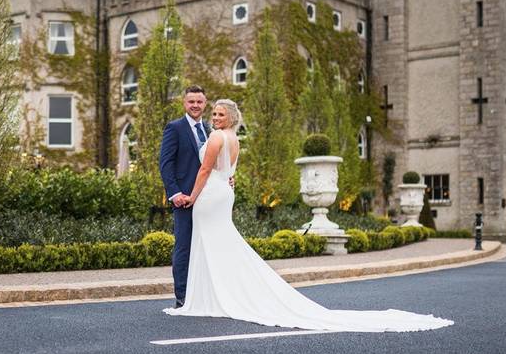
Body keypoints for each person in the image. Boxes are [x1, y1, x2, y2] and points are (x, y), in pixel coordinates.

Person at [163, 99, 454, 333]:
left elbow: (204, 170)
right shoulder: (233, 139)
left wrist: (192, 195)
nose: (214, 117)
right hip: (223, 194)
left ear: (231, 117)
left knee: (211, 245)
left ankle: (213, 297)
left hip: (210, 195)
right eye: (213, 113)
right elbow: (228, 172)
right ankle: (216, 295)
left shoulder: (215, 137)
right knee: (221, 245)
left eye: (220, 113)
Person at [159, 86, 213, 308]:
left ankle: (203, 295)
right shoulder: (175, 128)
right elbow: (165, 164)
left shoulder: (210, 130)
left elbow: (213, 165)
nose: (195, 106)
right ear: (184, 103)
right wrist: (175, 193)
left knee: (207, 247)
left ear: (205, 103)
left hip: (209, 198)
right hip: (185, 199)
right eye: (191, 101)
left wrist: (227, 179)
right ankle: (182, 298)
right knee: (184, 247)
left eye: (199, 102)